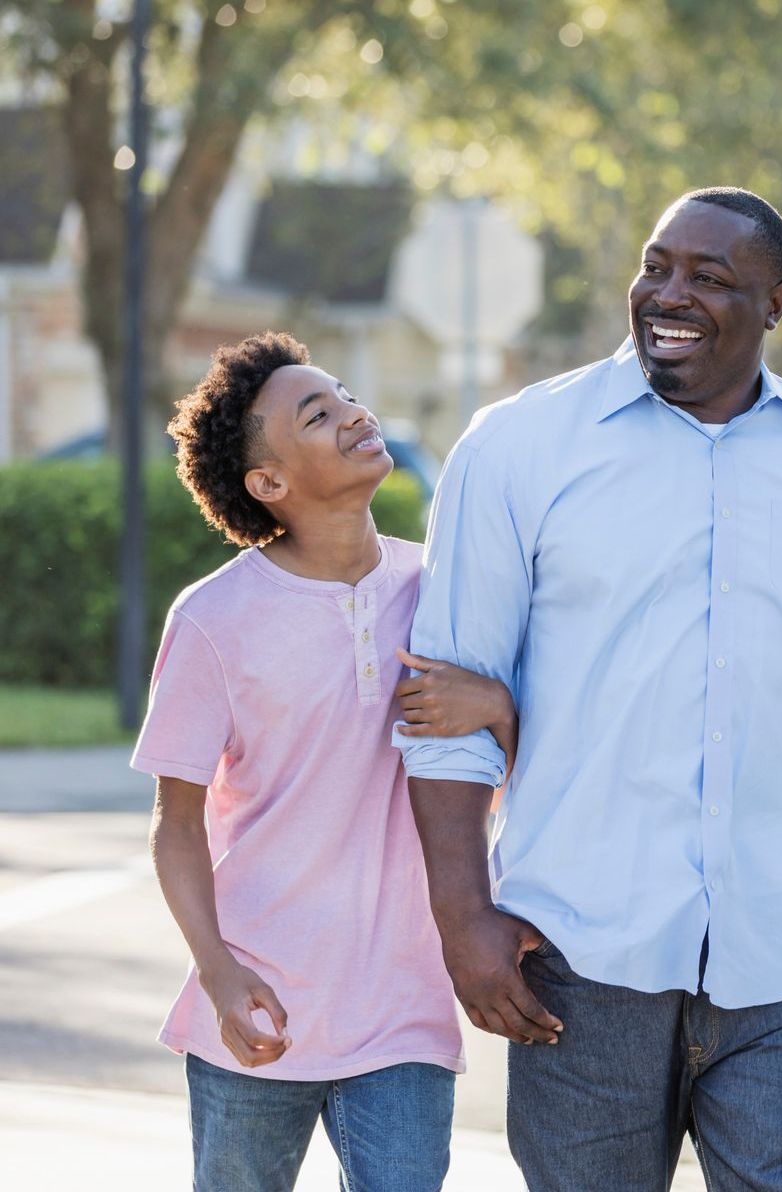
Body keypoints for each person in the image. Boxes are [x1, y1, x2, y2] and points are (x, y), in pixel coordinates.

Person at [395, 187, 782, 1192]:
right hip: (581, 955)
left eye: (710, 278)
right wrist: (463, 919)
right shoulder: (517, 450)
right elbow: (443, 713)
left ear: (777, 305)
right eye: (657, 265)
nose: (669, 293)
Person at [137, 332, 515, 1192]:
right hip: (261, 1007)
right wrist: (219, 973)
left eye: (345, 394)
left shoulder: (444, 590)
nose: (354, 413)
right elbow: (177, 823)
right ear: (269, 484)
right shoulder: (214, 619)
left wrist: (496, 706)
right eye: (319, 413)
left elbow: (536, 760)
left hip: (406, 1013)